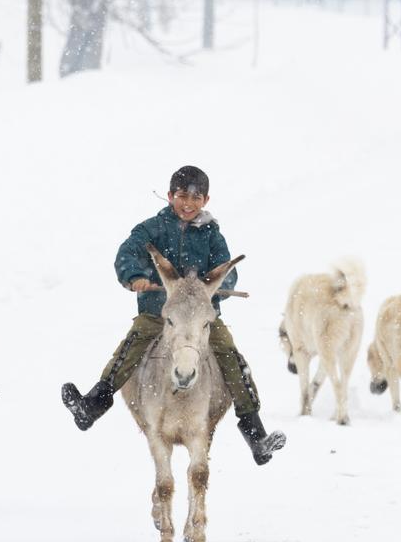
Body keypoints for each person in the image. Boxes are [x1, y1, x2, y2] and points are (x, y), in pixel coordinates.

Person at [60, 165, 286, 465]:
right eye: (182, 196)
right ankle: (92, 406)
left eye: (196, 198)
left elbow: (228, 273)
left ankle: (255, 436)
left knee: (231, 356)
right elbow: (126, 254)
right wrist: (135, 276)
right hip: (158, 313)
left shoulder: (212, 235)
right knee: (131, 348)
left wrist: (212, 287)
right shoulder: (151, 229)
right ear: (170, 196)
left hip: (199, 318)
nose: (188, 204)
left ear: (206, 200)